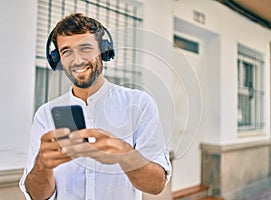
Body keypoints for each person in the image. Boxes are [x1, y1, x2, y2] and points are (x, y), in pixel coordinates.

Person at [19, 13, 171, 200]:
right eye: (66, 51)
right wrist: (43, 165)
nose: (77, 60)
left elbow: (156, 186)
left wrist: (124, 154)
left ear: (104, 51)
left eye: (85, 48)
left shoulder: (139, 104)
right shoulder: (45, 115)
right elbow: (37, 196)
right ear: (57, 58)